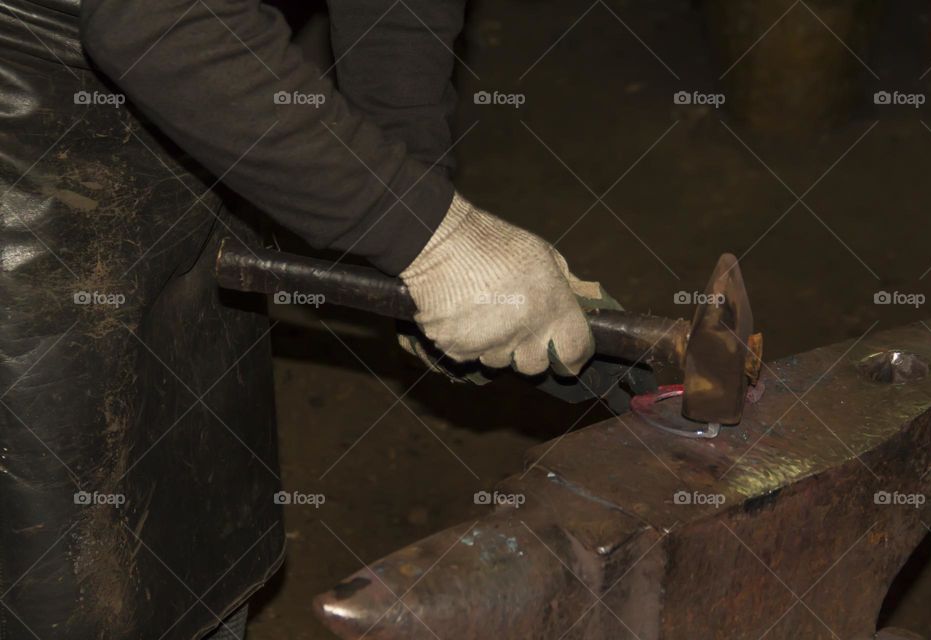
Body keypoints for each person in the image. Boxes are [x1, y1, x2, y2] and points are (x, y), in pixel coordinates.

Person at [0, 0, 603, 637]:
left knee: (185, 546)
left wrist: (410, 217)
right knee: (65, 585)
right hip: (31, 146)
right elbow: (153, 18)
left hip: (195, 114)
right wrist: (432, 238)